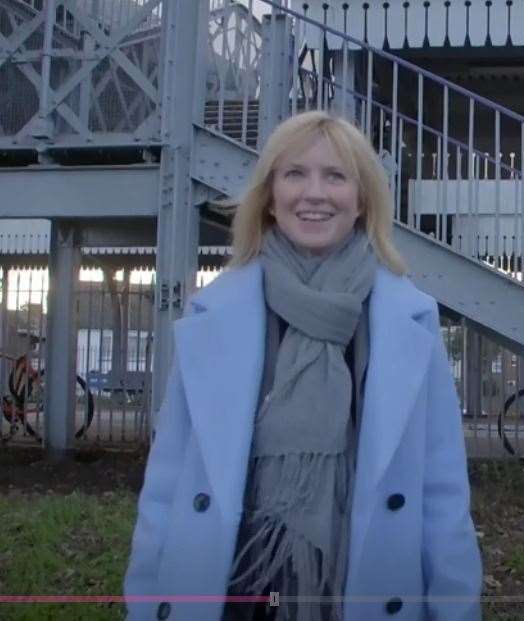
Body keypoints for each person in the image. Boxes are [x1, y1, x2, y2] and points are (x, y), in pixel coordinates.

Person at [125, 111, 482, 620]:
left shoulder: (411, 323)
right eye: (295, 174)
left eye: (335, 176)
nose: (314, 193)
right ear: (270, 197)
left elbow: (443, 499)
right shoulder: (213, 316)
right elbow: (166, 485)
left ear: (362, 201)